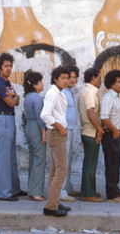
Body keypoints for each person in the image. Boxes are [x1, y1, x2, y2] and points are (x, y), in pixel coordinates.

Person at [0, 53, 24, 201]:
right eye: (6, 66)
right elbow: (12, 102)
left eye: (10, 66)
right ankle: (3, 193)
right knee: (4, 157)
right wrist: (14, 98)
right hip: (3, 118)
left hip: (10, 118)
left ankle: (13, 188)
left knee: (11, 156)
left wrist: (14, 98)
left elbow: (17, 99)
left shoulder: (7, 83)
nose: (9, 68)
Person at [40, 66, 71, 217]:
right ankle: (51, 206)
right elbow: (45, 115)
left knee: (54, 169)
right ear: (55, 79)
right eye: (63, 78)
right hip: (56, 133)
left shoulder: (59, 93)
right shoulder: (53, 93)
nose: (66, 81)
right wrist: (60, 127)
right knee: (62, 169)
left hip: (57, 133)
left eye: (67, 78)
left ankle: (55, 202)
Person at [100, 69, 120, 204]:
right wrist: (115, 130)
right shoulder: (108, 97)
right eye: (119, 82)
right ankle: (112, 195)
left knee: (116, 163)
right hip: (111, 135)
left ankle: (115, 189)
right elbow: (104, 117)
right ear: (111, 84)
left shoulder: (118, 96)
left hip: (118, 134)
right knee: (111, 165)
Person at [78, 67, 104, 202]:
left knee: (90, 162)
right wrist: (100, 129)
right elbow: (90, 113)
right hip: (90, 131)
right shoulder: (89, 92)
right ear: (93, 78)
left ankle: (90, 190)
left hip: (88, 131)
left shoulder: (88, 90)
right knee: (90, 163)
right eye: (99, 78)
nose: (101, 81)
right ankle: (88, 193)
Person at [23, 70, 46, 202]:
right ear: (35, 85)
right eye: (40, 82)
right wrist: (43, 132)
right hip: (36, 128)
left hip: (29, 127)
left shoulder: (28, 96)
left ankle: (32, 190)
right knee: (39, 159)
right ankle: (36, 191)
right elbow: (40, 116)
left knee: (33, 158)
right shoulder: (37, 98)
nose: (42, 84)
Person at [60, 65, 80, 202]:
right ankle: (61, 192)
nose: (71, 80)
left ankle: (67, 187)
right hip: (64, 130)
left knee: (69, 159)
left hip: (70, 129)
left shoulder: (71, 91)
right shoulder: (62, 92)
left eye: (74, 77)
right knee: (63, 161)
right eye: (69, 77)